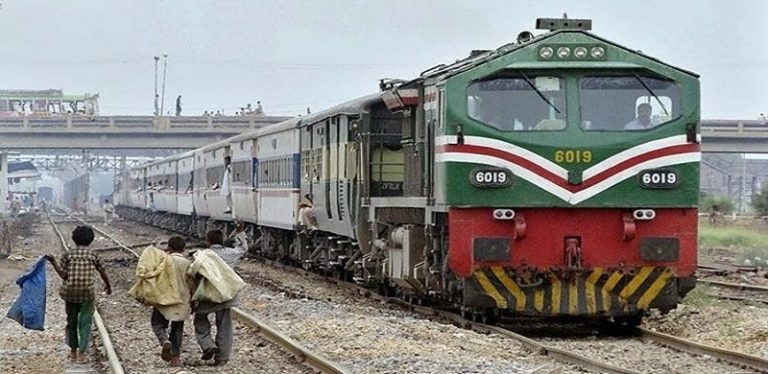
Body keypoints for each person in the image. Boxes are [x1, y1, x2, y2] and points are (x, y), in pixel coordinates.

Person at [46, 226, 112, 364]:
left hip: (70, 293)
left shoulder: (68, 255)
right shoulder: (94, 255)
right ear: (91, 240)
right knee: (85, 323)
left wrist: (53, 262)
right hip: (87, 293)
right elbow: (102, 272)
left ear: (74, 239)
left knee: (71, 322)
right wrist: (108, 285)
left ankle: (73, 352)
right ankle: (82, 353)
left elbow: (64, 275)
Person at [190, 230, 241, 366]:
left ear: (208, 240)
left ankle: (207, 345)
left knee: (200, 321)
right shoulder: (232, 253)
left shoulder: (201, 255)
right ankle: (222, 357)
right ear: (222, 240)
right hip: (226, 295)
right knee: (224, 324)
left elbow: (193, 273)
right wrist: (239, 232)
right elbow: (243, 248)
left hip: (207, 295)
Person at [151, 236, 194, 367]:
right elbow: (191, 283)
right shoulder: (187, 264)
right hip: (181, 301)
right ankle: (175, 359)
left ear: (169, 248)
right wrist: (193, 300)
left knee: (157, 323)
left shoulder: (162, 262)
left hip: (163, 299)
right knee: (177, 328)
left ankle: (164, 340)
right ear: (184, 249)